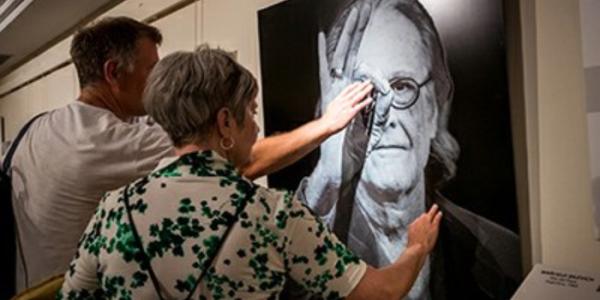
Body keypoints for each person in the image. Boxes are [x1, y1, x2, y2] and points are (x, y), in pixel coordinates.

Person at [8, 16, 375, 292]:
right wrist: (327, 124)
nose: (160, 83)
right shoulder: (117, 142)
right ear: (113, 73)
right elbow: (241, 160)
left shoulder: (35, 129)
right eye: (153, 69)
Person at [58, 46, 442, 299]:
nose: (256, 128)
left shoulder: (112, 211)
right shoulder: (271, 214)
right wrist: (416, 247)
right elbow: (380, 292)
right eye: (252, 112)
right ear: (226, 122)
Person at [300, 0, 521, 299]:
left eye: (402, 86)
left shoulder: (502, 255)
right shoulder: (308, 238)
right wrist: (326, 177)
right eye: (365, 93)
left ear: (434, 109)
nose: (386, 115)